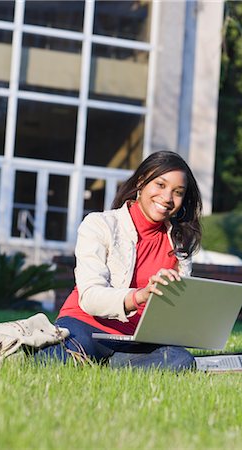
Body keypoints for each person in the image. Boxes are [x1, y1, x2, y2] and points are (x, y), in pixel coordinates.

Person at [36, 150, 203, 371]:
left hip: (136, 341)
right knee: (56, 360)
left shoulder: (180, 243)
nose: (167, 198)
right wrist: (140, 295)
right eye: (160, 185)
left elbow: (173, 314)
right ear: (142, 182)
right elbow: (90, 296)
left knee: (182, 360)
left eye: (178, 192)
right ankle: (100, 360)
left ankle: (108, 364)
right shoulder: (100, 224)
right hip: (86, 325)